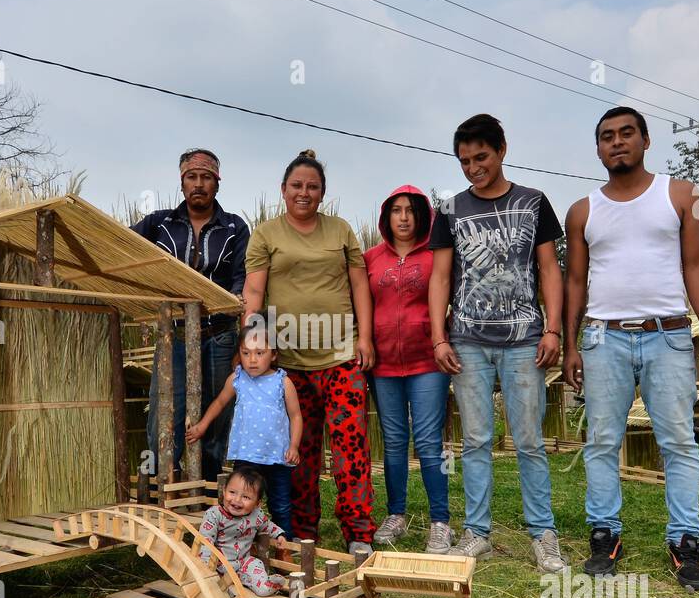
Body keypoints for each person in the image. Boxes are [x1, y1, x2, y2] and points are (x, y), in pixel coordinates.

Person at [561, 106, 699, 591]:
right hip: (602, 337)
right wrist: (570, 344)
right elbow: (575, 280)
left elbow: (697, 265)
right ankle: (605, 534)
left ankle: (684, 542)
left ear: (646, 141)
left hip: (668, 334)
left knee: (678, 442)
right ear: (598, 149)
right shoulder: (583, 211)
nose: (617, 142)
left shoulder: (679, 195)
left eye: (626, 133)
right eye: (607, 136)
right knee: (602, 441)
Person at [428, 114, 567, 570]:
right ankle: (477, 532)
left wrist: (553, 329)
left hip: (526, 339)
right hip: (467, 340)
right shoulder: (450, 210)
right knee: (476, 440)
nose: (473, 168)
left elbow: (549, 269)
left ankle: (543, 534)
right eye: (465, 161)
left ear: (502, 150)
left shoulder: (533, 202)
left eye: (481, 157)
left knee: (529, 440)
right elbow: (442, 275)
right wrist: (438, 336)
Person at [242, 150, 377, 556]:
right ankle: (303, 531)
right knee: (297, 451)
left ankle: (358, 531)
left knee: (350, 446)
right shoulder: (266, 234)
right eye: (297, 186)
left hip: (340, 357)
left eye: (312, 187)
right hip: (289, 364)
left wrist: (365, 338)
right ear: (283, 190)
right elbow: (254, 291)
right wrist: (253, 339)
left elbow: (359, 287)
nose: (304, 193)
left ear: (323, 193)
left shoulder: (341, 231)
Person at [131, 148, 249, 483]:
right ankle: (160, 490)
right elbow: (126, 247)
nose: (199, 184)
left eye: (206, 177)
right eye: (191, 177)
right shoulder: (159, 223)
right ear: (181, 182)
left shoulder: (234, 227)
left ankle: (210, 493)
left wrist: (242, 336)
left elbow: (242, 278)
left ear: (217, 182)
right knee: (164, 415)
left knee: (216, 418)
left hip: (220, 335)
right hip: (175, 337)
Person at [365, 185, 454, 553]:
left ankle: (440, 521)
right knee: (395, 441)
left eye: (410, 210)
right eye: (396, 210)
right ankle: (396, 514)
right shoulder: (371, 258)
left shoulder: (436, 256)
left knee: (431, 443)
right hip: (384, 365)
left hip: (427, 362)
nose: (403, 217)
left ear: (422, 216)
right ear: (387, 216)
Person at [187, 328, 302, 537]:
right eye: (246, 352)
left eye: (260, 353)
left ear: (274, 354)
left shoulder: (282, 382)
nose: (252, 360)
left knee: (281, 504)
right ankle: (241, 541)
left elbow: (295, 416)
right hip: (246, 457)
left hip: (277, 456)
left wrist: (294, 446)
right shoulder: (237, 379)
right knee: (242, 500)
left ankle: (284, 545)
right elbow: (220, 402)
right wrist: (202, 425)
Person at [197, 467, 288, 596]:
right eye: (232, 492)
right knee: (213, 580)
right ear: (224, 491)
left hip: (243, 562)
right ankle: (221, 589)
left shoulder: (256, 515)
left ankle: (264, 586)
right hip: (218, 564)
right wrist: (206, 565)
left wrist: (279, 535)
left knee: (256, 564)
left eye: (246, 497)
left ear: (257, 503)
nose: (237, 500)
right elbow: (205, 540)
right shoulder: (214, 515)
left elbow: (267, 525)